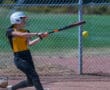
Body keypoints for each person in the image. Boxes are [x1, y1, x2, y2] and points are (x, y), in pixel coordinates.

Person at [6, 11, 48, 90]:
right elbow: (21, 35)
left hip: (27, 56)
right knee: (34, 76)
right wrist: (37, 33)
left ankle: (12, 88)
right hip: (19, 58)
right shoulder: (10, 31)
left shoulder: (26, 31)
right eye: (23, 19)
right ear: (16, 20)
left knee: (30, 82)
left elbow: (30, 44)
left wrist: (41, 37)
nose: (25, 21)